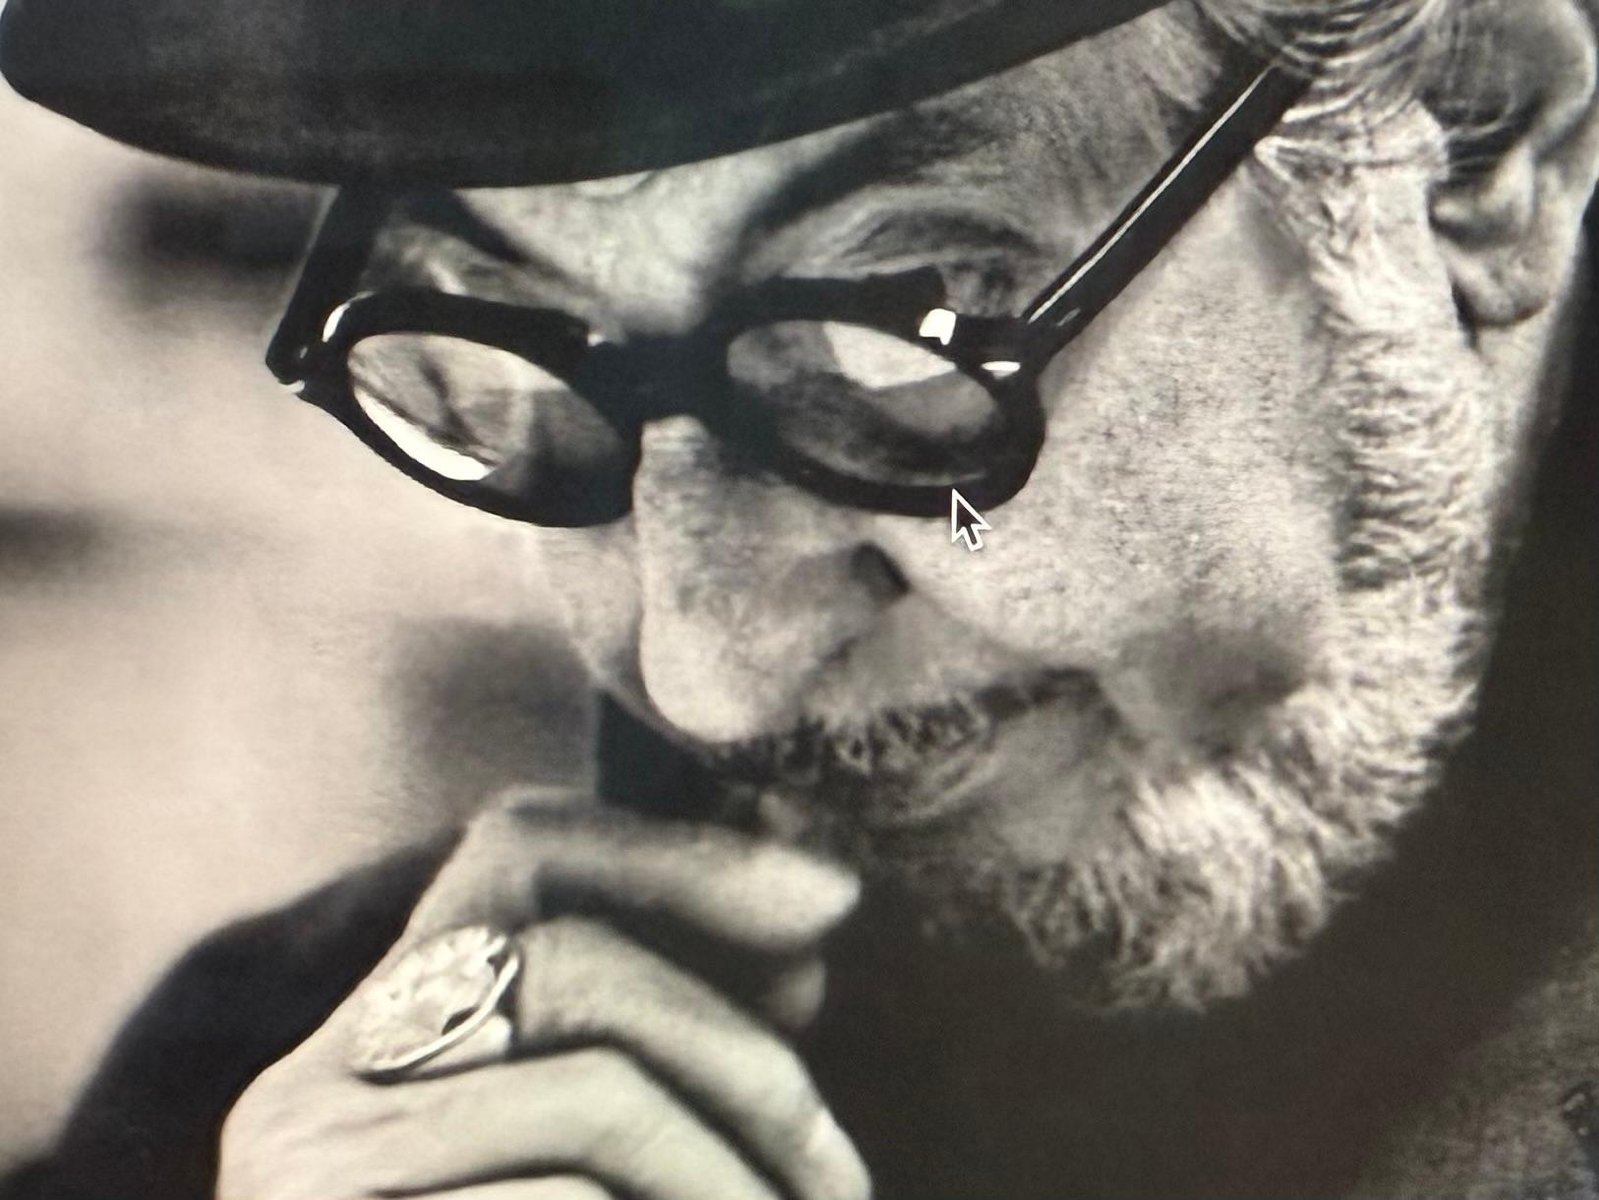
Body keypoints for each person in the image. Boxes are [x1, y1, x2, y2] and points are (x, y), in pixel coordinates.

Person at [2, 0, 1597, 1196]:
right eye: (521, 359)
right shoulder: (289, 1091)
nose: (711, 673)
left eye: (903, 338)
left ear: (1473, 145)